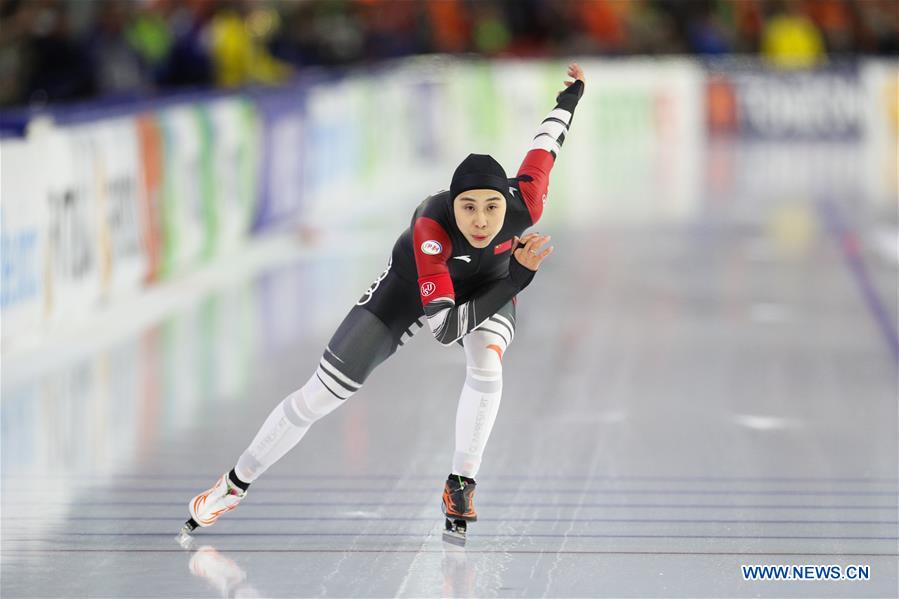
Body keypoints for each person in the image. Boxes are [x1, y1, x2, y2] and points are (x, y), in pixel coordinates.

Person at [182, 63, 586, 541]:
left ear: (509, 203)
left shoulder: (528, 201)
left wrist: (569, 98)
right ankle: (234, 484)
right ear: (452, 205)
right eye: (468, 207)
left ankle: (461, 483)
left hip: (487, 284)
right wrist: (517, 277)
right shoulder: (431, 228)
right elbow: (445, 331)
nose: (481, 221)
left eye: (492, 207)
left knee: (487, 363)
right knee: (319, 395)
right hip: (409, 290)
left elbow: (546, 144)